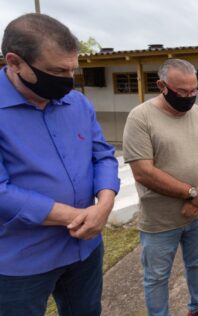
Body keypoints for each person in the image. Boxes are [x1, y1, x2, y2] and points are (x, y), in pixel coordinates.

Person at [0, 14, 120, 315]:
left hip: (85, 250)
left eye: (72, 69)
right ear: (14, 62)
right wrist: (77, 216)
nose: (68, 79)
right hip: (19, 260)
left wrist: (104, 206)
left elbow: (102, 155)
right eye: (57, 70)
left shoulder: (77, 103)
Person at [123, 59, 198, 316]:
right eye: (182, 92)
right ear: (162, 86)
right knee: (156, 277)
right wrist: (192, 193)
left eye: (194, 90)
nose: (189, 97)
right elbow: (144, 172)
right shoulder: (141, 117)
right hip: (160, 221)